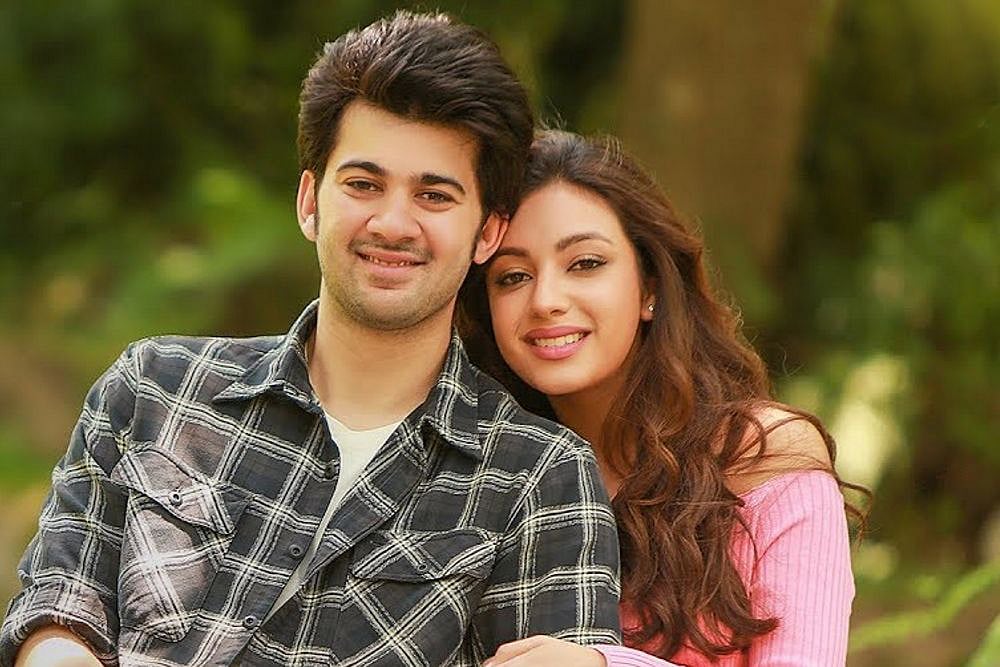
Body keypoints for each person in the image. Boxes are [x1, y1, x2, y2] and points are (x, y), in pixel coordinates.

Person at [0, 16, 622, 667]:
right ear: (309, 201)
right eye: (363, 185)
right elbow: (56, 611)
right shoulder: (154, 388)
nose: (392, 223)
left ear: (488, 233)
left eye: (434, 195)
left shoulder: (538, 476)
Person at [460, 130, 868, 666]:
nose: (546, 301)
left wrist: (604, 665)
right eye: (513, 276)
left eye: (585, 263)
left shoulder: (765, 457)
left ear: (650, 286)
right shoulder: (479, 475)